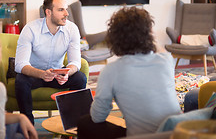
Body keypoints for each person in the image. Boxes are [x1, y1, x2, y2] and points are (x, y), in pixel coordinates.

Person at [77, 7, 182, 139]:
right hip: (177, 134)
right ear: (149, 34)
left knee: (85, 123)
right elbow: (157, 48)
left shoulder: (111, 71)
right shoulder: (166, 60)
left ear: (114, 38)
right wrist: (148, 37)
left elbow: (98, 117)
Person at [15, 0, 87, 124]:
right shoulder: (30, 29)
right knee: (21, 80)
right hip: (35, 74)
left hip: (58, 75)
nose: (67, 13)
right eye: (61, 10)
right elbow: (20, 64)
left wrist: (66, 73)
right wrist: (42, 74)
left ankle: (73, 124)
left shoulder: (72, 29)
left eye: (66, 9)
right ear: (48, 12)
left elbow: (75, 62)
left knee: (80, 78)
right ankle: (28, 126)